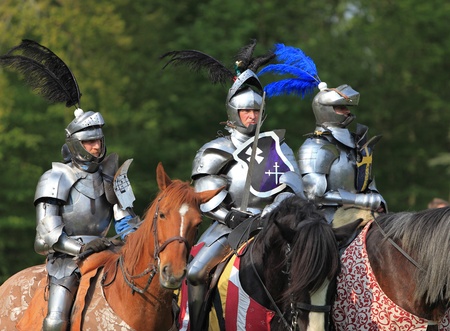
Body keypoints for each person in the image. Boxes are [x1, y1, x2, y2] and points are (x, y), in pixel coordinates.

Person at [161, 40, 301, 329]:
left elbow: (293, 188)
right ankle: (195, 325)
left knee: (314, 263)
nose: (251, 117)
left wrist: (273, 211)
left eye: (256, 112)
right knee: (197, 272)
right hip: (229, 226)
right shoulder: (216, 149)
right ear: (233, 112)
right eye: (246, 112)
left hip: (276, 223)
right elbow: (204, 193)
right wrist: (229, 215)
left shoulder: (278, 147)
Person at [0, 40, 137, 331]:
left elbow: (125, 219)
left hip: (109, 253)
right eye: (89, 141)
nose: (96, 146)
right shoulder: (55, 178)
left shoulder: (112, 175)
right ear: (75, 144)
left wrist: (133, 239)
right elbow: (48, 235)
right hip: (67, 259)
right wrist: (80, 248)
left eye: (98, 140)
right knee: (55, 320)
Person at [259, 43, 387, 223]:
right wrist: (364, 201)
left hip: (361, 214)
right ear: (325, 110)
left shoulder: (356, 144)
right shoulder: (315, 147)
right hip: (325, 220)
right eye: (341, 107)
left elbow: (367, 182)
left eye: (346, 108)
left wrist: (378, 200)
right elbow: (314, 195)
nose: (347, 112)